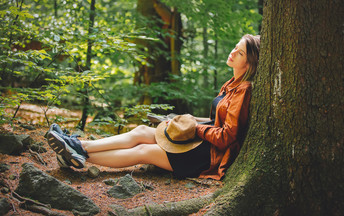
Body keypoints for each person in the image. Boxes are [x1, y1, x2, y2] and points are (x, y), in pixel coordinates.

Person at [46, 34, 260, 180]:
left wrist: (194, 129)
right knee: (141, 131)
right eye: (235, 47)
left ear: (249, 63)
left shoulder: (243, 90)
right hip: (202, 140)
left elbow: (227, 136)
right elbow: (216, 121)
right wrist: (183, 121)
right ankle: (76, 144)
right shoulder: (231, 84)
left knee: (143, 151)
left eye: (240, 53)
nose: (233, 52)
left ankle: (76, 155)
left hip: (207, 156)